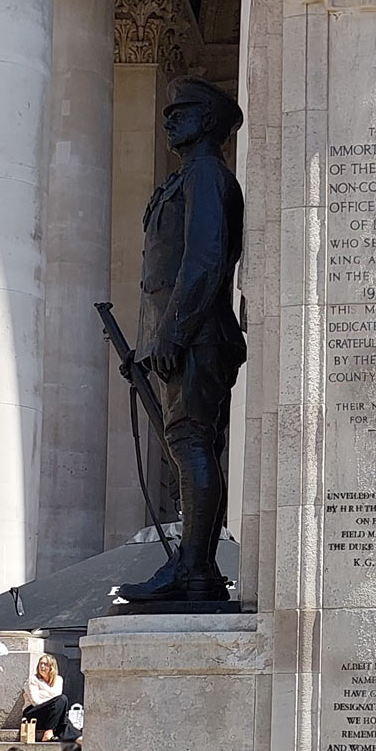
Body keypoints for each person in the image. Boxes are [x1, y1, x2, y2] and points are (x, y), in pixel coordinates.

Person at [119, 77, 246, 604]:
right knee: (191, 446)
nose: (170, 117)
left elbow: (205, 260)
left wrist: (172, 332)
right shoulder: (186, 179)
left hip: (198, 336)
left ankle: (194, 567)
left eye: (184, 110)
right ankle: (197, 568)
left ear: (210, 121)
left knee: (190, 443)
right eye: (169, 109)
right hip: (183, 337)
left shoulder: (208, 176)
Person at [23, 654, 68, 741]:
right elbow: (35, 701)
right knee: (62, 699)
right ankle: (48, 732)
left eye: (45, 664)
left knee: (64, 714)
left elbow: (57, 701)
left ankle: (77, 738)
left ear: (52, 667)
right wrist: (52, 701)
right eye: (41, 664)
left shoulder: (58, 680)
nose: (42, 666)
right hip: (33, 712)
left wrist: (43, 695)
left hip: (50, 713)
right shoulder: (33, 679)